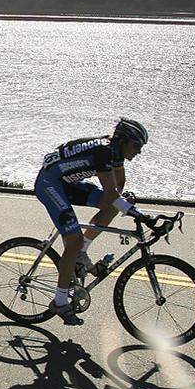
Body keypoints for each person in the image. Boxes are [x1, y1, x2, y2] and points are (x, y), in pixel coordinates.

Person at [34, 117, 157, 325]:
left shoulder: (116, 154)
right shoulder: (103, 152)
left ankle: (81, 253)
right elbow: (111, 194)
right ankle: (60, 301)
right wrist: (139, 214)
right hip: (50, 183)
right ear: (123, 141)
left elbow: (118, 187)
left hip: (67, 182)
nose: (139, 151)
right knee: (72, 241)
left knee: (111, 208)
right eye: (136, 146)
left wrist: (124, 203)